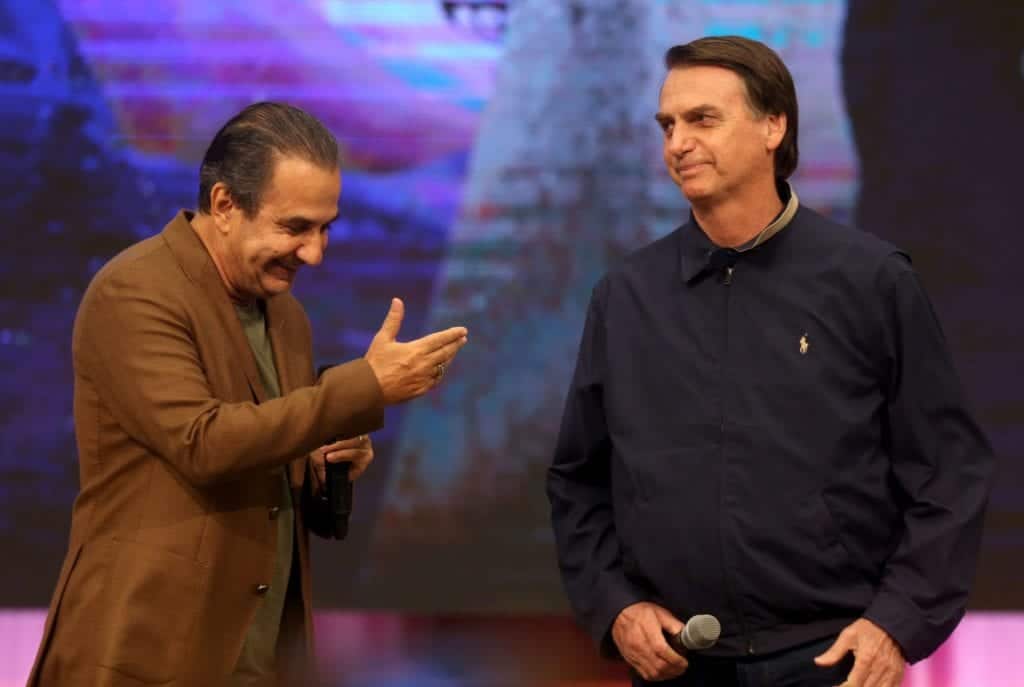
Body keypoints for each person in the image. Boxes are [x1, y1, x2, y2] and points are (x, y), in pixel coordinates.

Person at [547, 36, 994, 687]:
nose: (678, 143)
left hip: (832, 658)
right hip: (678, 661)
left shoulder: (869, 279)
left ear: (772, 126)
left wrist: (897, 621)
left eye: (703, 119)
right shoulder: (625, 297)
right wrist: (615, 606)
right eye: (668, 125)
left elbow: (949, 470)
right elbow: (577, 480)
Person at [28, 102, 468, 686]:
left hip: (261, 657)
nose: (315, 253)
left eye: (325, 228)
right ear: (225, 205)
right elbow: (204, 442)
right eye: (295, 228)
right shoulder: (134, 293)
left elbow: (268, 449)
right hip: (146, 655)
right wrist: (364, 386)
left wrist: (320, 463)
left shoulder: (286, 316)